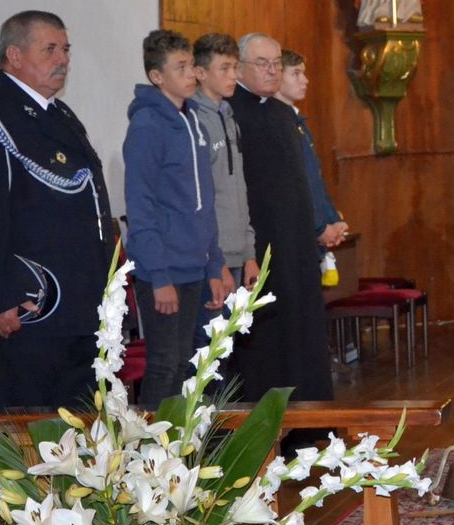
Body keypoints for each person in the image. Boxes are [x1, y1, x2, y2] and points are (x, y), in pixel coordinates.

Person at [0, 10, 115, 410]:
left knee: (79, 428)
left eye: (66, 49)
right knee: (23, 431)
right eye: (50, 49)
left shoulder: (59, 115)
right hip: (29, 308)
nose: (62, 59)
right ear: (14, 55)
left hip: (78, 307)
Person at [227, 33, 333, 403]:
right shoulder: (232, 114)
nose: (272, 70)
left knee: (302, 332)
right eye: (263, 63)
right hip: (260, 246)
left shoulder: (283, 114)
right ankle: (267, 419)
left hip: (296, 248)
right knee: (267, 339)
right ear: (240, 67)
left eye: (276, 63)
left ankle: (310, 416)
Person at [123, 30, 227, 405]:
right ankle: (148, 441)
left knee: (186, 364)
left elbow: (205, 202)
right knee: (164, 365)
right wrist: (159, 276)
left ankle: (178, 440)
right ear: (156, 76)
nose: (192, 74)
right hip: (163, 269)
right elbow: (141, 206)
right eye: (180, 67)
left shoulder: (193, 120)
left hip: (195, 266)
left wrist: (214, 264)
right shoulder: (147, 126)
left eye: (191, 65)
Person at [191, 33, 259, 356]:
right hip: (212, 259)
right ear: (201, 72)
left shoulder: (229, 117)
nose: (234, 75)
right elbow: (202, 199)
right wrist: (214, 262)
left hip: (236, 253)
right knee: (207, 355)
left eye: (235, 67)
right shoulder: (195, 120)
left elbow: (239, 189)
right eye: (225, 68)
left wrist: (249, 253)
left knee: (226, 353)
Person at [276, 49, 348, 248]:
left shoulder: (298, 122)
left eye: (304, 73)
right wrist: (319, 228)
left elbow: (314, 180)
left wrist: (333, 220)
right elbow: (294, 185)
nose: (305, 80)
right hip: (296, 234)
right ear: (277, 77)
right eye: (296, 73)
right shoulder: (277, 124)